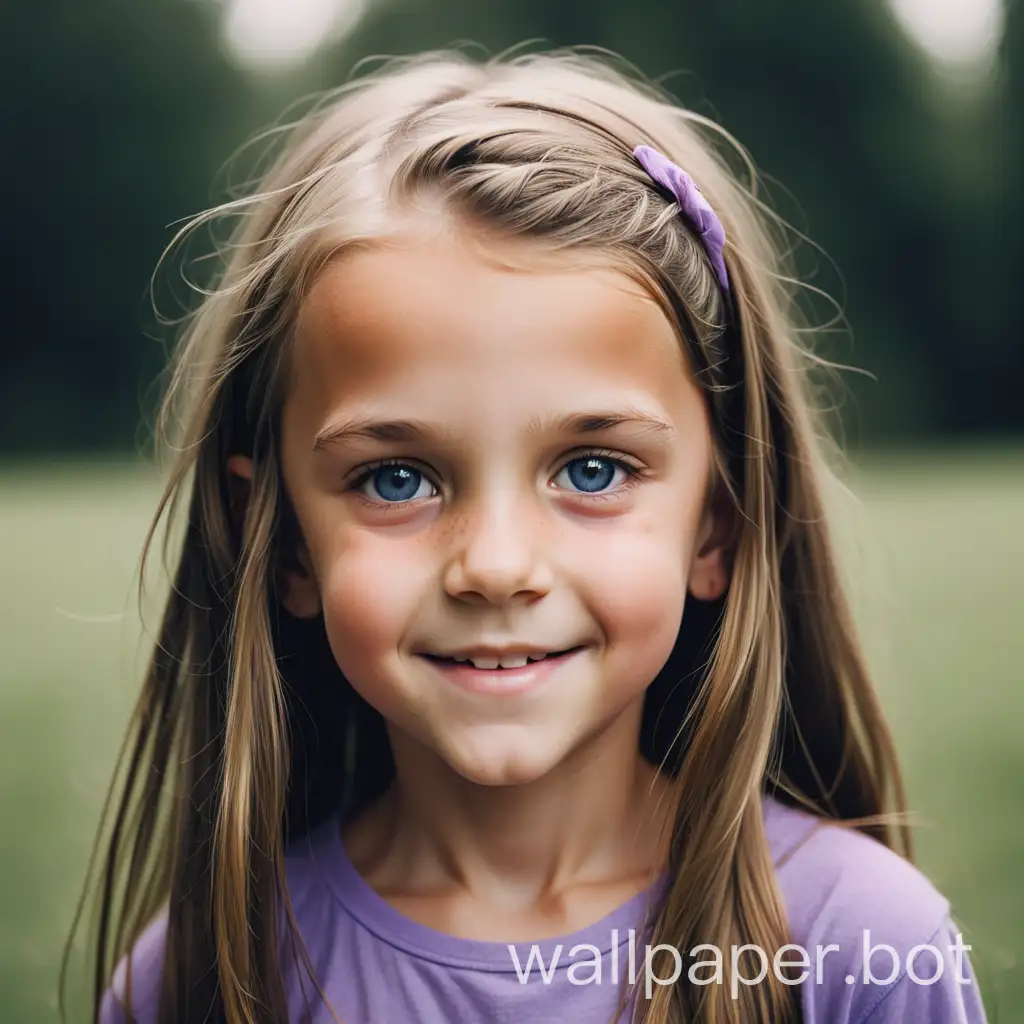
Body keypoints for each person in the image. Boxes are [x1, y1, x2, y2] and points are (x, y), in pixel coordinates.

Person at [77, 48, 987, 1024]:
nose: (496, 565)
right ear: (288, 541)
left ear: (714, 525)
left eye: (591, 469)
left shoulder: (861, 947)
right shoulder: (204, 973)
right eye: (397, 478)